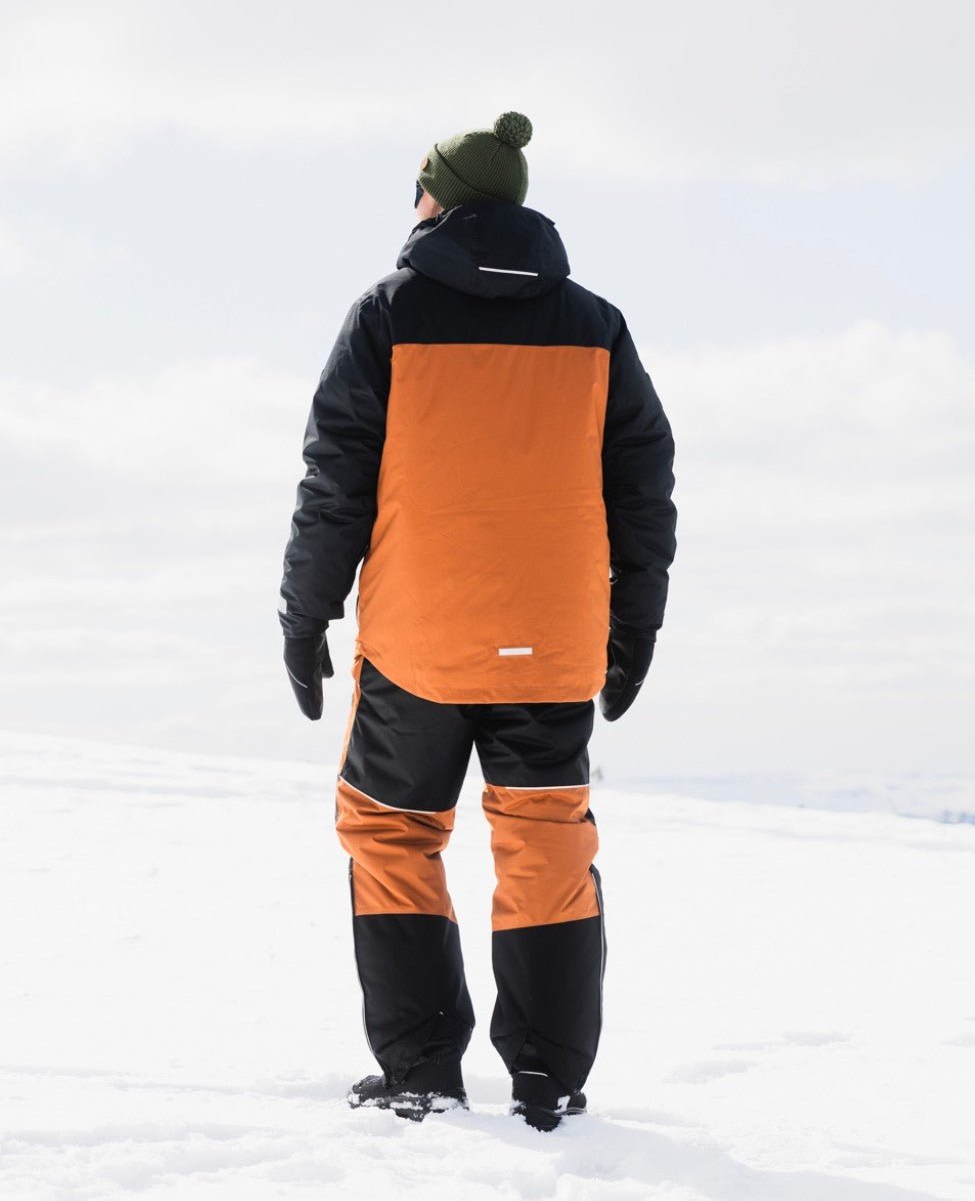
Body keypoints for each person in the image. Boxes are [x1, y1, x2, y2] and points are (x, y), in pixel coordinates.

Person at [279, 111, 677, 1131]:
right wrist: (635, 629)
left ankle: (419, 1071)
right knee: (544, 843)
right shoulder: (594, 324)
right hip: (551, 644)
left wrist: (305, 609)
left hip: (418, 643)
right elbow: (641, 491)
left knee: (392, 831)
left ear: (434, 199)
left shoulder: (386, 313)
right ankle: (546, 1078)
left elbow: (336, 482)